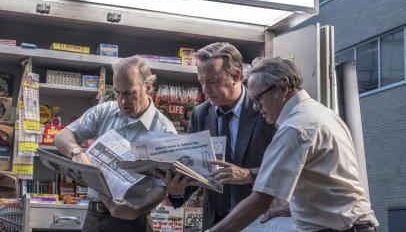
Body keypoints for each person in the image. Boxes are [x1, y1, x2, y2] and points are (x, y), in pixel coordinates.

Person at [205, 57, 379, 232]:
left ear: (282, 88)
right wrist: (292, 207)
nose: (256, 108)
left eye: (258, 99)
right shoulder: (323, 114)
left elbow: (260, 200)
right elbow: (327, 180)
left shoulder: (295, 127)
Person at [163, 42, 279, 230]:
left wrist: (247, 174)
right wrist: (177, 190)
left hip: (259, 221)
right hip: (215, 220)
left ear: (236, 76)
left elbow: (283, 170)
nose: (205, 89)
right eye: (201, 81)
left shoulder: (265, 110)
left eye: (213, 81)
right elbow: (195, 170)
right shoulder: (201, 114)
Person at [54, 55, 177, 232]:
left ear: (148, 87)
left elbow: (162, 186)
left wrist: (137, 210)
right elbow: (62, 136)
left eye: (129, 92)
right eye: (118, 92)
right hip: (94, 217)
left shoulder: (164, 131)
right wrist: (77, 154)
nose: (122, 100)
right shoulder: (105, 111)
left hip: (132, 221)